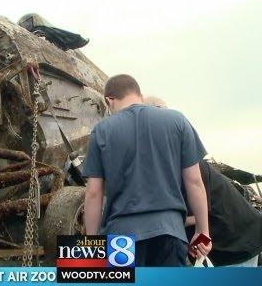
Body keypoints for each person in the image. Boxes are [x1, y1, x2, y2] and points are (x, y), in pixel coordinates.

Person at [82, 74, 211, 266]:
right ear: (139, 95)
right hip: (170, 231)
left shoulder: (102, 130)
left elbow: (93, 193)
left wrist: (91, 244)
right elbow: (194, 182)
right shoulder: (177, 121)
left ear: (109, 100)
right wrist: (203, 232)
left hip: (120, 236)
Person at [144, 95, 262, 267]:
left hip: (237, 241)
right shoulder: (173, 159)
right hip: (232, 240)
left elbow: (194, 212)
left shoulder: (182, 163)